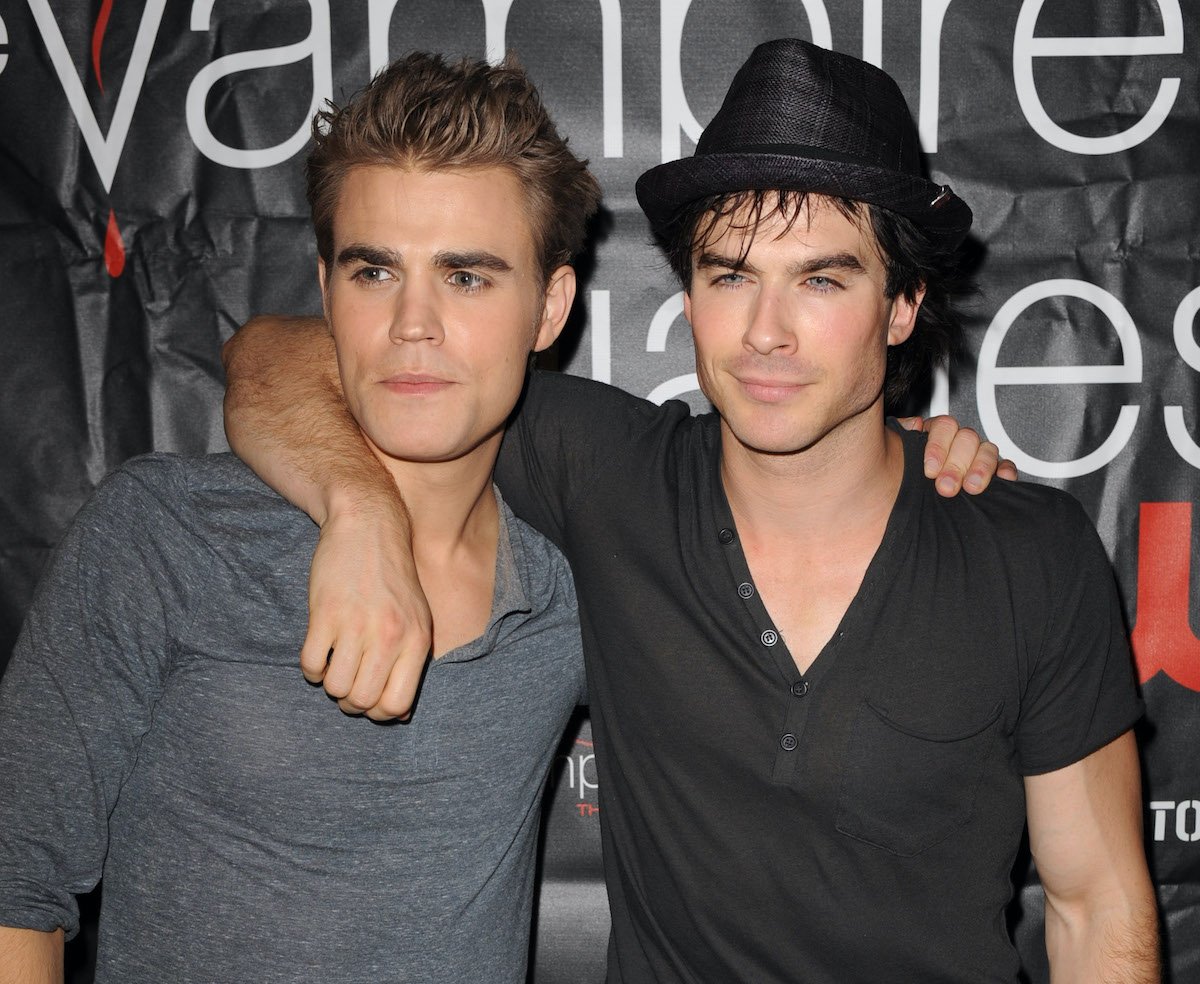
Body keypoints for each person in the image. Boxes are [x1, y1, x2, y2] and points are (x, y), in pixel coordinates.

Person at [223, 39, 1158, 982]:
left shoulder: (1029, 552)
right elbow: (278, 354)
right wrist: (361, 513)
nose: (766, 333)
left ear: (903, 304)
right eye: (731, 275)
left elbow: (1096, 907)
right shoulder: (611, 474)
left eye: (821, 280)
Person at [0, 52, 600, 983]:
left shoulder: (567, 596)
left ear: (550, 307)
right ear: (326, 291)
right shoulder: (166, 534)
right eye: (375, 272)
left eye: (467, 277)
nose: (412, 323)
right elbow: (13, 886)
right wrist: (359, 510)